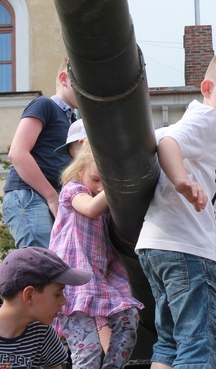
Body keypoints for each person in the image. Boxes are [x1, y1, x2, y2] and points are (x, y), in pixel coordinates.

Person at [135, 48, 216, 369]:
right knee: (200, 344)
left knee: (169, 342)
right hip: (186, 248)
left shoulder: (195, 120)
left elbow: (156, 138)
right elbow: (167, 144)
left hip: (156, 246)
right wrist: (181, 181)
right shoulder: (206, 120)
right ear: (207, 88)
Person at [49, 142, 142, 369]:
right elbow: (90, 208)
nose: (101, 188)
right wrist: (116, 183)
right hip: (72, 283)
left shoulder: (106, 205)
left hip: (98, 280)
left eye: (105, 181)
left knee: (128, 319)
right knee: (87, 351)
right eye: (96, 179)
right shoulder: (73, 191)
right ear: (80, 171)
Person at [2, 57, 77, 249]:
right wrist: (52, 196)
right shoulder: (45, 105)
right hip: (29, 195)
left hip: (47, 197)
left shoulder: (73, 121)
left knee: (53, 264)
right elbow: (18, 153)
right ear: (64, 79)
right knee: (41, 262)